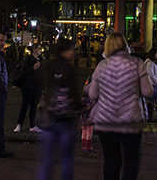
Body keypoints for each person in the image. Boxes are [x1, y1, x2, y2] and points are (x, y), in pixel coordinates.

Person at [87, 32, 154, 180]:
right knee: (131, 161)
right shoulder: (137, 63)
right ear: (125, 45)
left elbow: (92, 94)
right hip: (130, 121)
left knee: (111, 161)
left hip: (105, 121)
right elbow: (148, 91)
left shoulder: (101, 66)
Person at [37, 40, 81, 180]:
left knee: (47, 159)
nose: (73, 52)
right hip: (66, 120)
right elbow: (74, 94)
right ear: (64, 51)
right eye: (71, 49)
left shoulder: (48, 66)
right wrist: (80, 111)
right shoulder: (69, 69)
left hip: (49, 119)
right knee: (67, 159)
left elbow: (43, 87)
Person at [13, 45, 43, 133]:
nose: (40, 50)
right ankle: (19, 125)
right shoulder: (28, 59)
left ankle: (32, 126)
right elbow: (23, 72)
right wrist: (33, 68)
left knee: (34, 106)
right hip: (27, 86)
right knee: (25, 105)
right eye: (39, 48)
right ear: (34, 50)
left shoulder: (40, 59)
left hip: (37, 86)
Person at [144, 48, 157, 122]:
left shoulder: (153, 62)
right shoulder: (149, 63)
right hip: (151, 84)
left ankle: (150, 117)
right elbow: (151, 74)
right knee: (150, 101)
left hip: (153, 84)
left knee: (153, 101)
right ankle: (150, 118)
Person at [79, 75, 96, 154]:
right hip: (89, 117)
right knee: (89, 132)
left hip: (82, 116)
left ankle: (83, 146)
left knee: (84, 131)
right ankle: (88, 146)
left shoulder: (82, 98)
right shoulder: (91, 98)